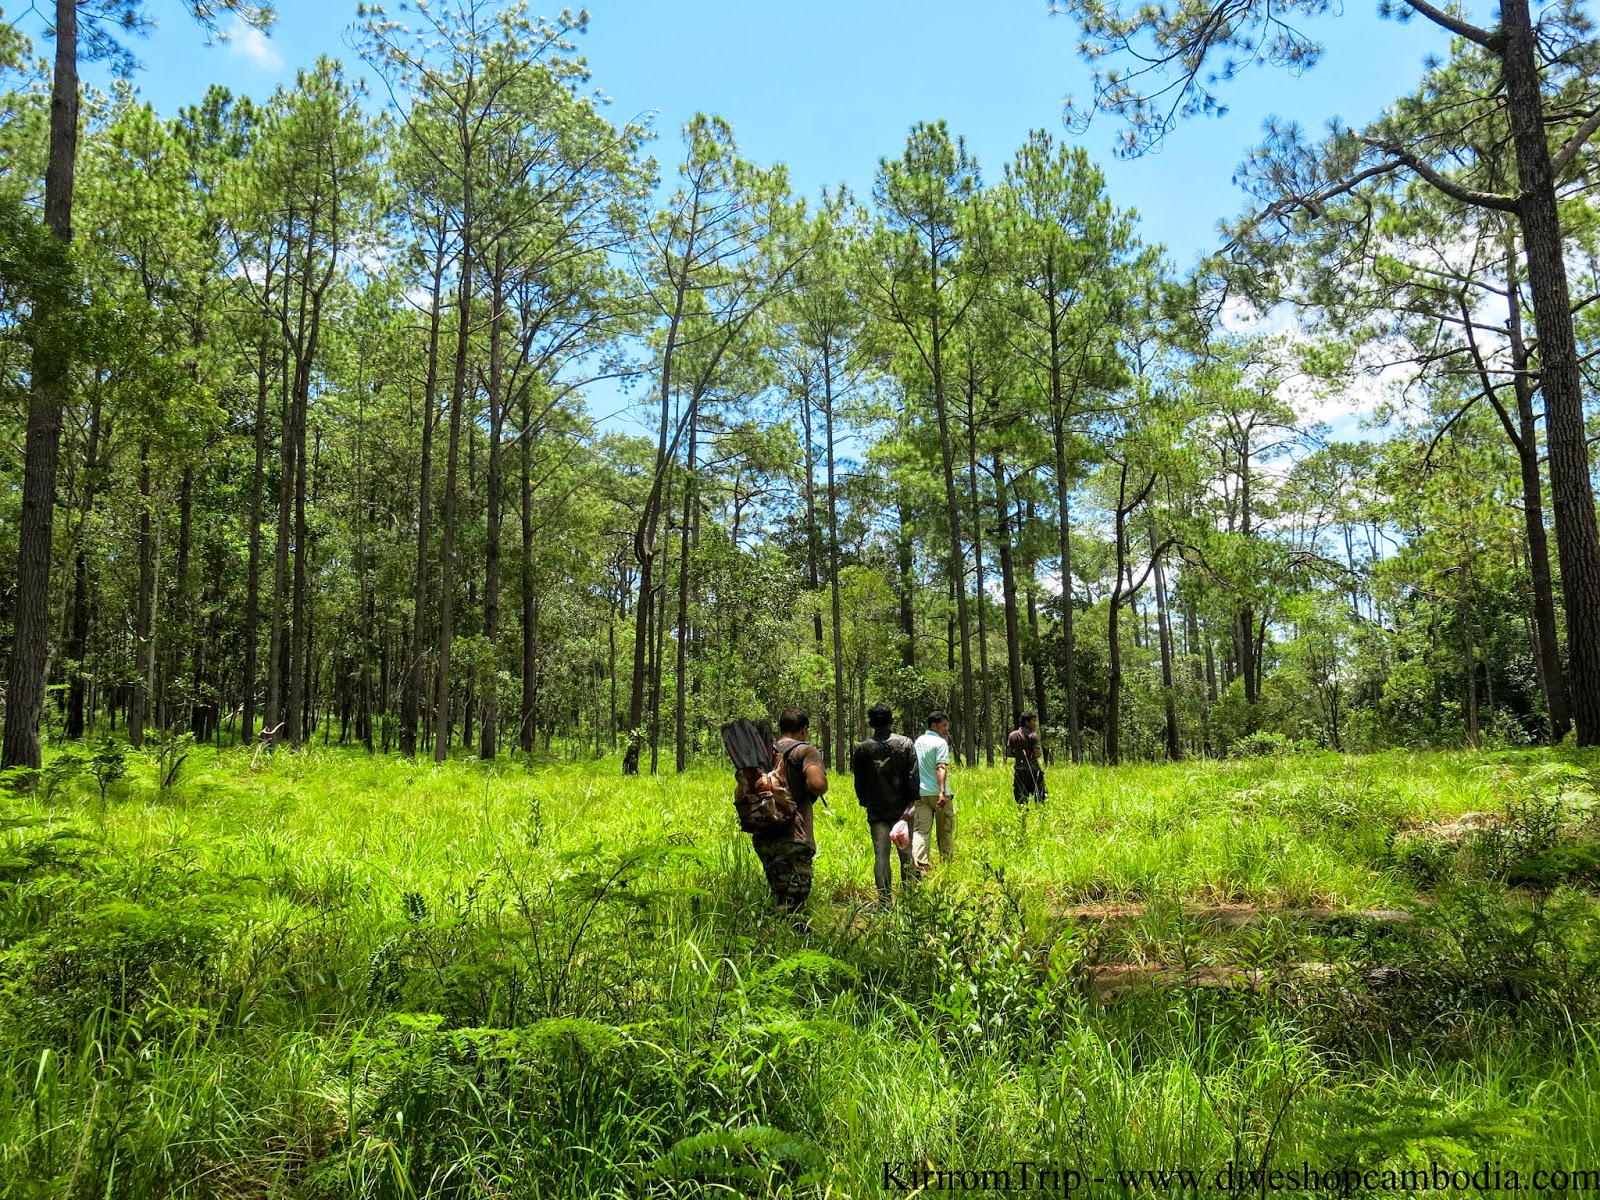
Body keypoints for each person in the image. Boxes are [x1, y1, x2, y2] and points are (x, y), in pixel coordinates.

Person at [753, 706, 827, 915]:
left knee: (780, 894)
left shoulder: (765, 752)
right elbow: (818, 783)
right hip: (794, 837)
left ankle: (778, 939)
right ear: (803, 730)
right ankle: (776, 942)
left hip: (764, 836)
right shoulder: (804, 751)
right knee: (791, 903)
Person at [850, 701, 918, 905]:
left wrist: (866, 802)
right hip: (902, 810)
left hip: (877, 810)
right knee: (906, 852)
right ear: (891, 720)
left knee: (881, 854)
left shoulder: (863, 749)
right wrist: (911, 805)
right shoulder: (905, 744)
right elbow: (913, 776)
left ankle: (885, 902)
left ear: (871, 722)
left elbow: (859, 782)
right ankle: (910, 900)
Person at [912, 711, 955, 874]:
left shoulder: (918, 742)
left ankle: (919, 865)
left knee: (921, 830)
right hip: (938, 794)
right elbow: (941, 767)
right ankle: (947, 864)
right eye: (943, 725)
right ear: (933, 726)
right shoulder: (940, 743)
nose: (946, 729)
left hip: (921, 794)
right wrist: (942, 792)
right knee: (945, 829)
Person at [1006, 710, 1047, 805]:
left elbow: (1008, 753)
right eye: (1033, 721)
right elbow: (1037, 754)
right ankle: (1040, 817)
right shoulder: (1033, 736)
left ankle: (1023, 817)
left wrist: (1019, 755)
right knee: (1040, 797)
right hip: (1033, 771)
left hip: (1019, 771)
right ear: (1026, 722)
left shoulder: (1012, 735)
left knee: (1021, 799)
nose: (1035, 723)